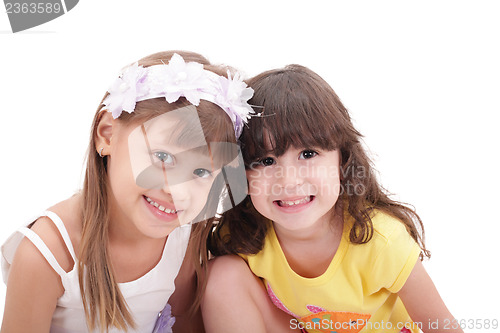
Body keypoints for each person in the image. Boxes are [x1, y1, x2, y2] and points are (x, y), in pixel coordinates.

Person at [1, 51, 251, 332]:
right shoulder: (49, 253)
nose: (176, 190)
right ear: (107, 135)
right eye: (163, 157)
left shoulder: (183, 237)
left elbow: (181, 322)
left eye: (201, 172)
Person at [202, 64, 463, 333]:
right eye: (266, 161)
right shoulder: (245, 236)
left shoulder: (382, 242)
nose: (289, 181)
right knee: (221, 274)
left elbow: (443, 328)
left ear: (342, 160)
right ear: (240, 174)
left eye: (307, 154)